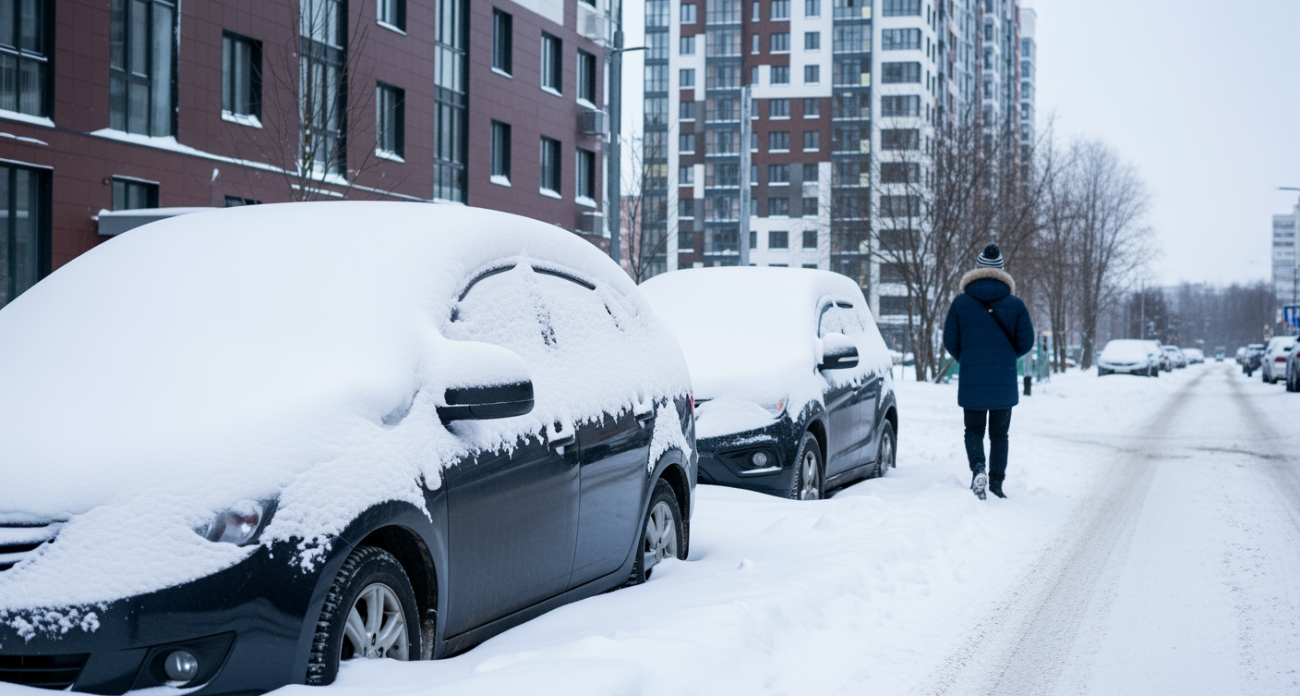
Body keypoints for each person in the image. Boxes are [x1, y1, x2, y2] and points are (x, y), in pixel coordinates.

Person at [942, 243, 1034, 500]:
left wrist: (969, 359)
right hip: (1003, 379)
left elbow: (950, 339)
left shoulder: (960, 303)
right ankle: (996, 483)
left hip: (972, 378)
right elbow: (1027, 341)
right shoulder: (1015, 305)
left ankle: (978, 468)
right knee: (999, 434)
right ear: (1002, 271)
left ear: (978, 269)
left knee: (973, 430)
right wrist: (1005, 358)